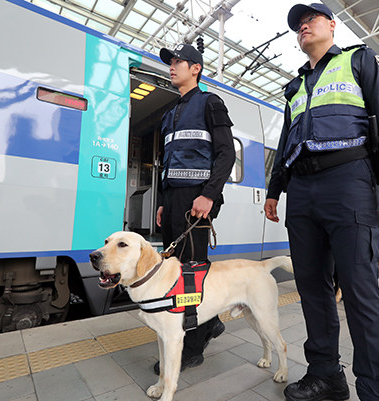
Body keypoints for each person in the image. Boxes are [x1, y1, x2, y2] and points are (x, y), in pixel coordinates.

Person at [264, 3, 379, 400]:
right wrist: (276, 189)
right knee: (312, 288)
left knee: (360, 289)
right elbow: (286, 142)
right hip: (303, 191)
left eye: (309, 20)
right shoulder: (295, 87)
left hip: (349, 179)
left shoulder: (359, 61)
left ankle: (377, 389)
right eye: (297, 25)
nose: (302, 27)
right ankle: (326, 375)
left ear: (331, 25)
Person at [154, 43, 235, 374]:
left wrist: (209, 195)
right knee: (175, 268)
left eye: (178, 62)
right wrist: (162, 200)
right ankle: (211, 320)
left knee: (192, 271)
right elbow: (167, 162)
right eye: (170, 63)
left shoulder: (210, 103)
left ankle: (194, 344)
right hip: (173, 199)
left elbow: (226, 154)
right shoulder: (169, 114)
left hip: (197, 200)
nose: (172, 67)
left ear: (196, 68)